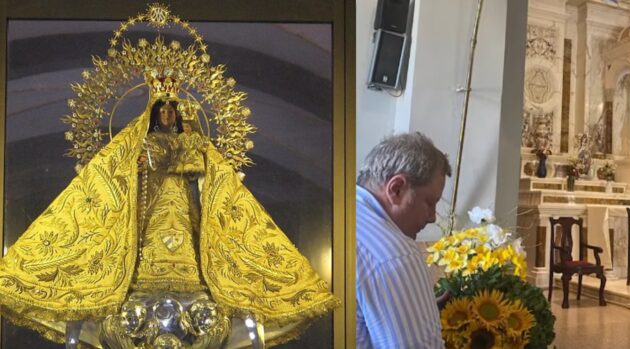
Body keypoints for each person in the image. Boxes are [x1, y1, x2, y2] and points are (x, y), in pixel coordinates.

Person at [0, 74, 340, 347]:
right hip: (151, 214)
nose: (167, 115)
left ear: (178, 113)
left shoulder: (189, 141)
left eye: (171, 110)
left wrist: (191, 144)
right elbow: (119, 173)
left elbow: (198, 172)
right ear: (152, 113)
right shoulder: (138, 143)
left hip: (182, 209)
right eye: (161, 110)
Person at [356, 132, 452, 349]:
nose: (433, 217)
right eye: (429, 202)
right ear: (396, 189)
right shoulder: (396, 255)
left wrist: (416, 307)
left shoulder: (339, 214)